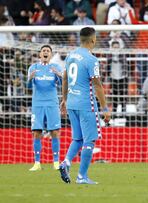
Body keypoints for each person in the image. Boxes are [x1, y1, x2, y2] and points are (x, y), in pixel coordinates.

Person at [59, 27, 110, 184]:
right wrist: (105, 108)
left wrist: (64, 100)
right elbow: (97, 84)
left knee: (78, 138)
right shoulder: (91, 59)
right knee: (90, 140)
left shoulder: (70, 56)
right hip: (86, 104)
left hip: (72, 102)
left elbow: (65, 79)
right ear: (93, 40)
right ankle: (82, 176)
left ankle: (66, 162)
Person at [27, 45, 63, 171]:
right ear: (40, 54)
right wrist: (30, 79)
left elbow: (62, 84)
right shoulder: (33, 68)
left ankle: (56, 162)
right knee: (36, 133)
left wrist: (59, 75)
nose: (46, 52)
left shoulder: (56, 67)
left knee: (54, 132)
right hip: (37, 104)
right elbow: (29, 87)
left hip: (52, 103)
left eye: (48, 51)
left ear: (51, 55)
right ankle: (37, 163)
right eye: (44, 51)